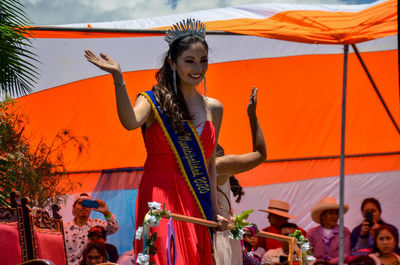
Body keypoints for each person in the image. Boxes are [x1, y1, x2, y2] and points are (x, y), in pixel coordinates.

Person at [85, 18, 223, 265]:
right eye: (189, 61)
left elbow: (210, 165)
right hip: (159, 192)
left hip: (195, 197)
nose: (198, 68)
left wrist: (214, 212)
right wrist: (118, 78)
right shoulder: (153, 101)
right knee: (165, 254)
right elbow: (129, 122)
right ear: (172, 62)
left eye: (203, 61)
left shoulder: (214, 108)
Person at [214, 86, 267, 265]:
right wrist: (252, 116)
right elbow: (261, 154)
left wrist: (240, 222)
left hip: (216, 235)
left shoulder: (213, 165)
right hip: (217, 237)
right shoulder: (216, 166)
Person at [64, 193, 119, 265]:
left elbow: (114, 228)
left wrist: (106, 212)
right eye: (80, 203)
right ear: (74, 206)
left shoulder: (97, 224)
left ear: (91, 208)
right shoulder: (65, 228)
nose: (83, 207)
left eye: (87, 204)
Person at [307, 197, 351, 265]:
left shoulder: (344, 231)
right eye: (331, 213)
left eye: (336, 213)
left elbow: (346, 254)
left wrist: (330, 262)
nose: (335, 216)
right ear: (323, 216)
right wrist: (318, 263)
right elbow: (307, 253)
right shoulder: (312, 233)